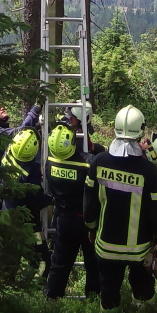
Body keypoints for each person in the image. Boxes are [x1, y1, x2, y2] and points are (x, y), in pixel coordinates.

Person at [84, 105, 157, 310]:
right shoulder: (149, 171)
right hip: (139, 250)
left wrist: (91, 228)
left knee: (109, 292)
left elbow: (90, 203)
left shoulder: (98, 162)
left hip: (106, 247)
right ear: (140, 131)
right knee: (143, 291)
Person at [44, 123, 100, 300]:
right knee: (93, 263)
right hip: (86, 220)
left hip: (63, 219)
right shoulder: (86, 164)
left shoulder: (49, 162)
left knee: (59, 263)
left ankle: (52, 298)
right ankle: (93, 297)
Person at [1, 127, 51, 272]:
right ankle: (34, 290)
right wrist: (49, 199)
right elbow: (36, 198)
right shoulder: (33, 170)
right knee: (41, 261)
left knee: (9, 258)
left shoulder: (8, 151)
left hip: (7, 211)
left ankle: (7, 289)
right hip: (28, 221)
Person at [0, 98, 41, 165]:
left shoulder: (1, 129)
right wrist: (36, 108)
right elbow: (20, 132)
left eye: (2, 107)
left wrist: (37, 126)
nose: (2, 109)